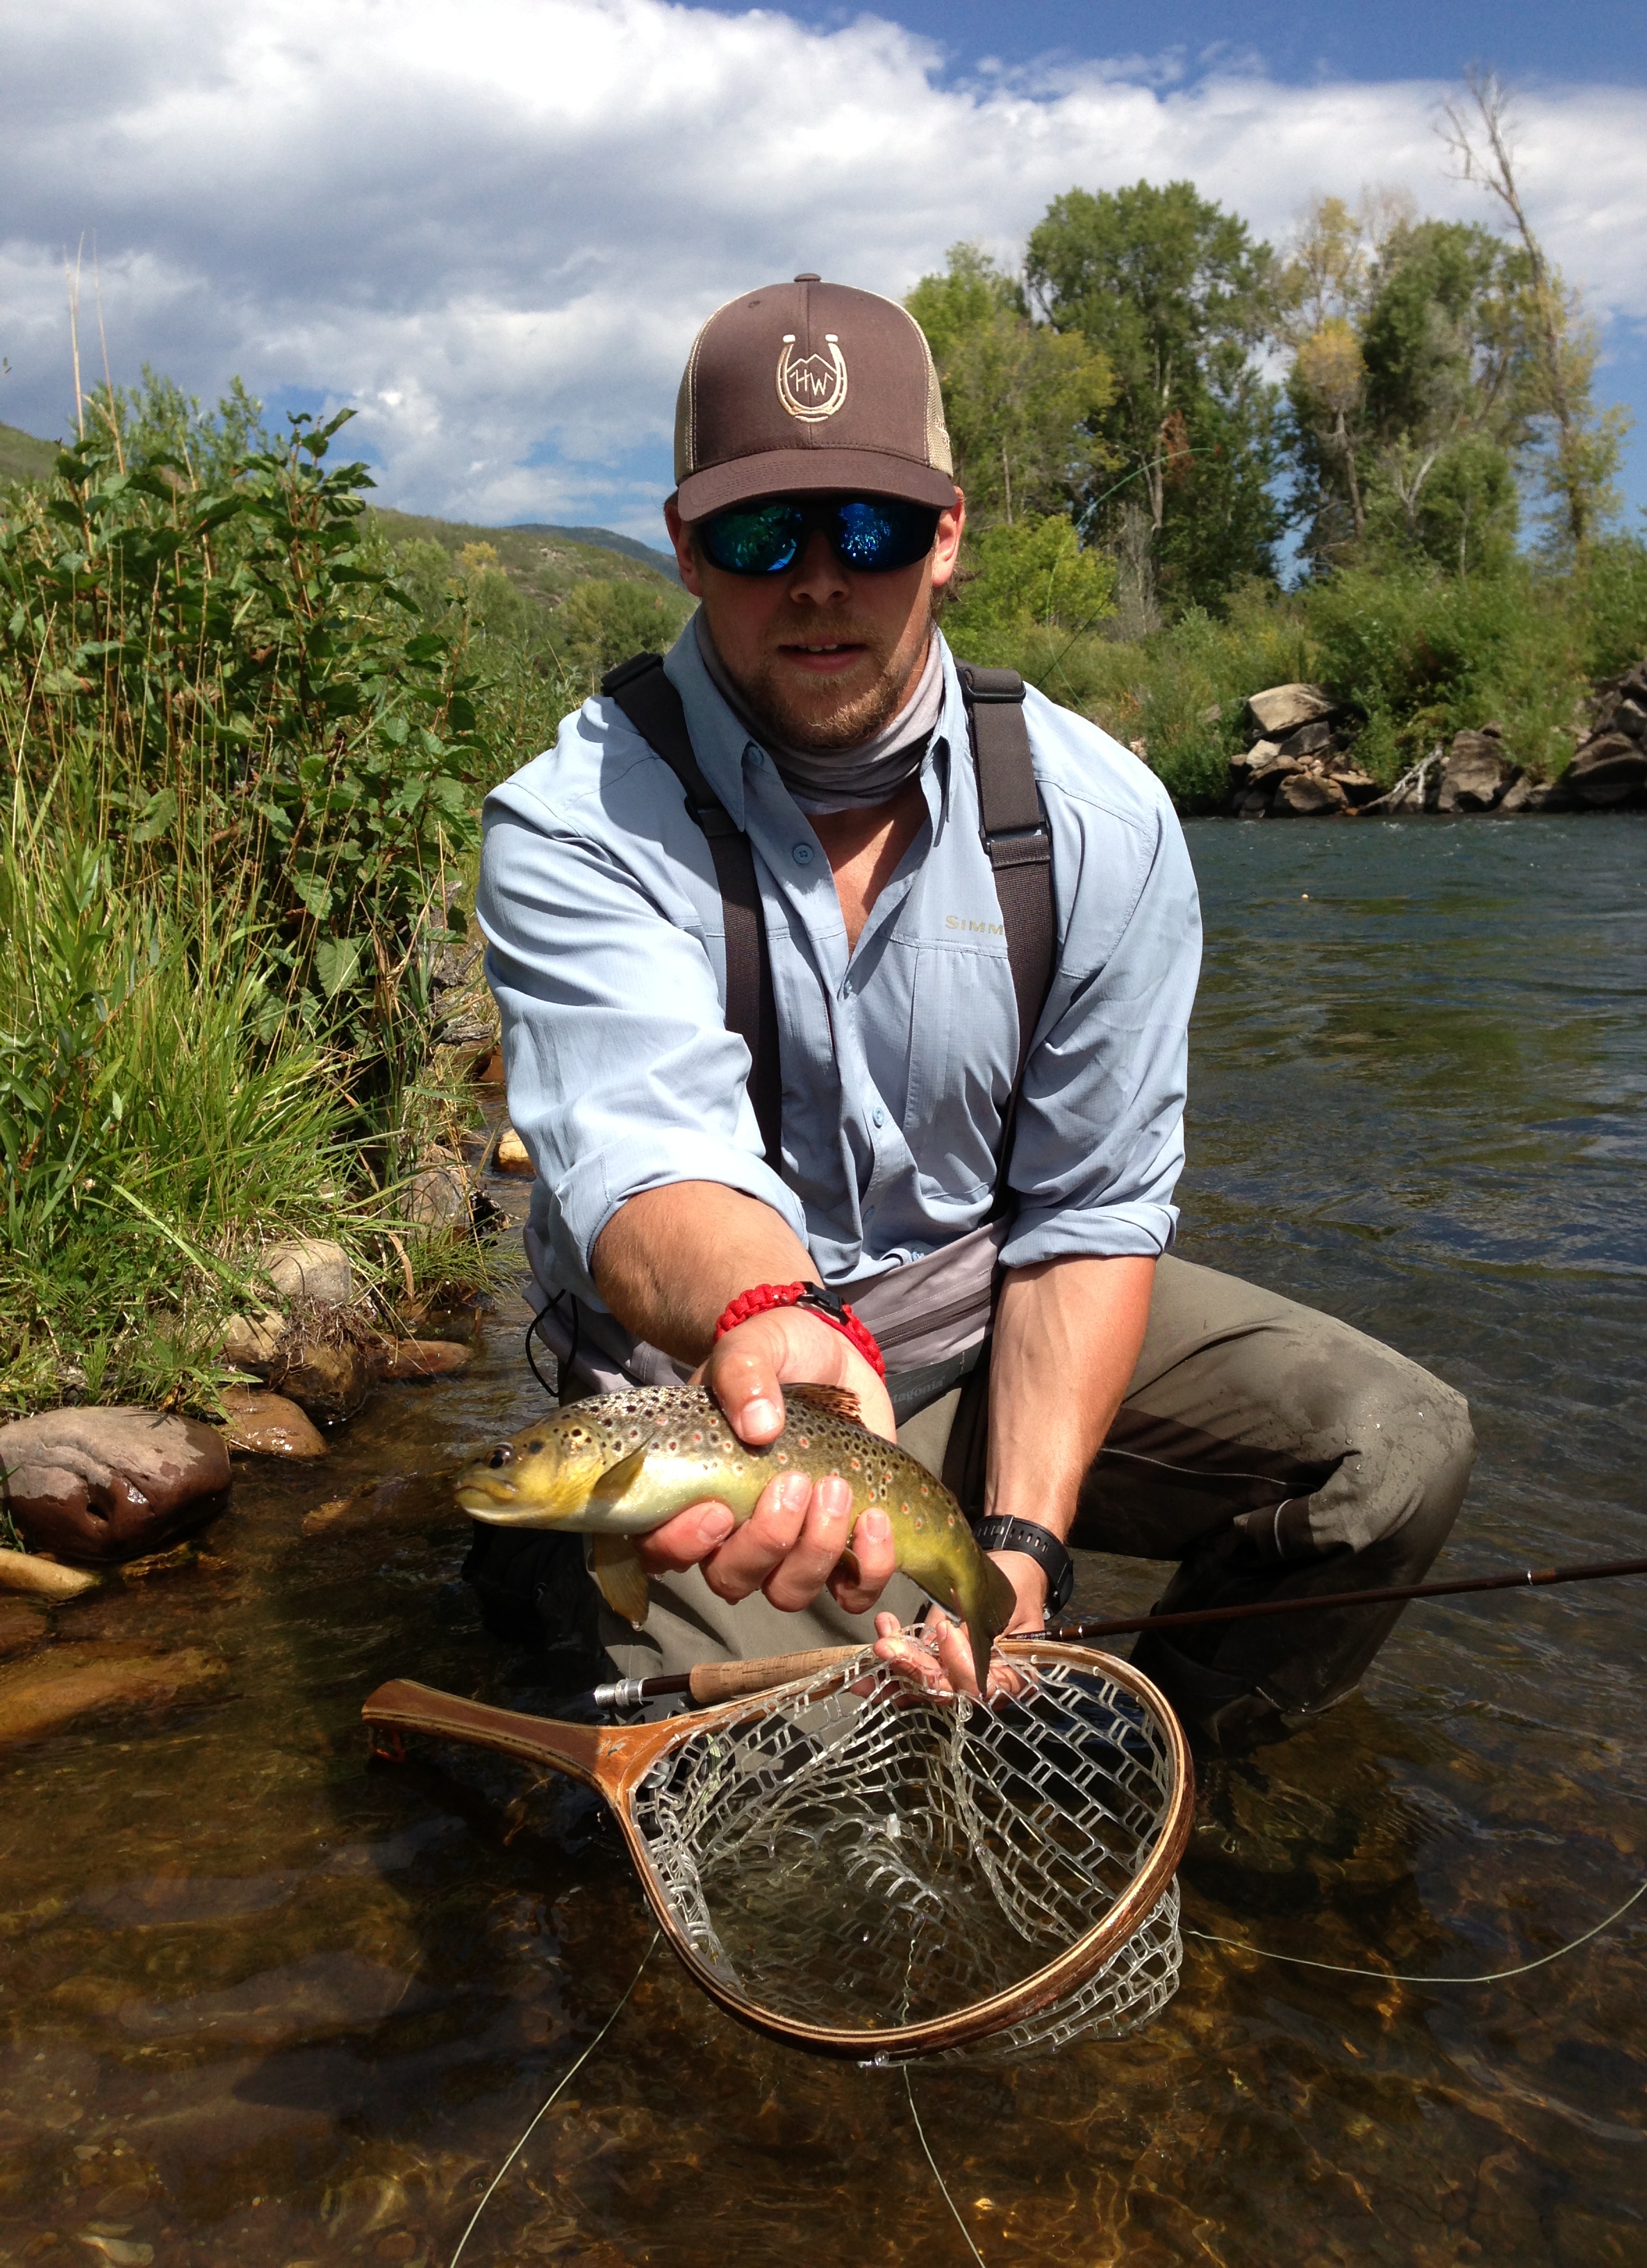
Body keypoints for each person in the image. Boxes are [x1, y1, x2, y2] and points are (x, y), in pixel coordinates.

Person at [470, 273, 1475, 1749]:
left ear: (947, 536)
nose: (820, 579)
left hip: (988, 1335)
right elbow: (645, 1147)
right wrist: (769, 1315)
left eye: (867, 527)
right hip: (714, 1400)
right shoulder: (576, 824)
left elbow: (1088, 1214)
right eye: (762, 532)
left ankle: (1149, 1769)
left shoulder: (1099, 821)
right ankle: (567, 1591)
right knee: (814, 1768)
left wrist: (1025, 1548)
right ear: (685, 548)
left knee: (1396, 1449)